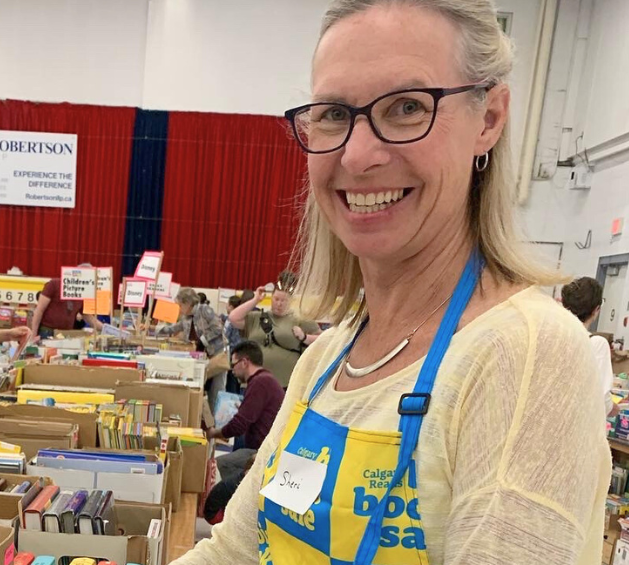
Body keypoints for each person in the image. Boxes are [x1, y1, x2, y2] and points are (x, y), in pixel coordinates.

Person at [175, 2, 610, 564]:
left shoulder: (526, 355)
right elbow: (235, 551)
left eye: (407, 107)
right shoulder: (328, 358)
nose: (357, 155)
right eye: (333, 113)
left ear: (489, 119)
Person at [228, 271, 321, 389]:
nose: (279, 303)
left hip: (285, 384)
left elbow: (323, 339)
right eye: (276, 299)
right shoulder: (257, 317)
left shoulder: (299, 319)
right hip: (254, 383)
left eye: (284, 300)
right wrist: (255, 300)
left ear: (291, 301)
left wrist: (305, 337)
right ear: (271, 298)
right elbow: (233, 318)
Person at [207, 341, 284, 484]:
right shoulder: (264, 380)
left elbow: (238, 426)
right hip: (261, 447)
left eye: (233, 364)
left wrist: (214, 433)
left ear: (244, 362)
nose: (232, 370)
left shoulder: (260, 383)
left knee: (215, 466)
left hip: (261, 452)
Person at [158, 287, 228, 407]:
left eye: (180, 306)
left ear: (188, 303)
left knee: (216, 390)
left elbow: (218, 328)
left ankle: (218, 421)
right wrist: (154, 329)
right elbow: (175, 328)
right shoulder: (186, 317)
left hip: (217, 355)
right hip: (202, 357)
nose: (179, 309)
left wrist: (202, 340)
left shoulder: (204, 310)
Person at [562, 276, 616, 415]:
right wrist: (614, 409)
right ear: (596, 309)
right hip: (578, 423)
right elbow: (601, 399)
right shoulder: (596, 343)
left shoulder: (551, 336)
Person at [28, 264, 103, 337]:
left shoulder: (81, 293)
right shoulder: (54, 284)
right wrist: (33, 334)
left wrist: (106, 329)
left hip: (66, 334)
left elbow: (88, 317)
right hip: (48, 332)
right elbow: (39, 310)